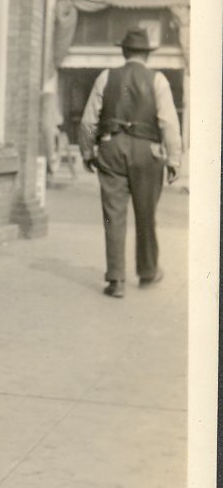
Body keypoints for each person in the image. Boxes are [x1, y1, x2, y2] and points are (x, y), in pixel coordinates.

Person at [78, 26, 182, 299]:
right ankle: (147, 273)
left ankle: (116, 280)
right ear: (146, 55)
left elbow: (89, 120)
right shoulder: (158, 79)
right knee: (146, 213)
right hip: (147, 151)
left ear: (123, 52)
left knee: (114, 215)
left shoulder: (105, 77)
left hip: (111, 148)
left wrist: (88, 152)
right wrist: (174, 159)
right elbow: (169, 122)